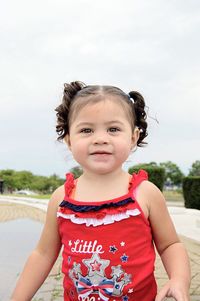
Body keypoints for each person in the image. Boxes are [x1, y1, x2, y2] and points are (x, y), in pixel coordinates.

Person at [11, 81, 191, 301]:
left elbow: (170, 244)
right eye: (86, 130)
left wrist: (178, 279)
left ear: (133, 137)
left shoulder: (146, 193)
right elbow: (43, 254)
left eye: (113, 129)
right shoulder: (62, 199)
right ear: (69, 140)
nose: (100, 138)